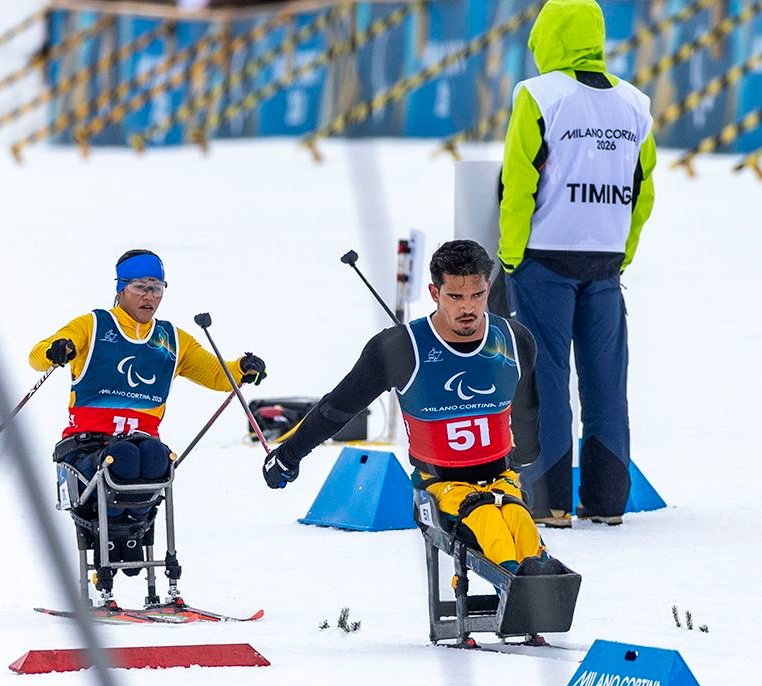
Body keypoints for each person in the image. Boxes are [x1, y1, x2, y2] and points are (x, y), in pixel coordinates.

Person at [261, 240, 561, 575]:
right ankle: (526, 592)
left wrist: (525, 456)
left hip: (501, 478)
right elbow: (338, 407)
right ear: (435, 293)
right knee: (491, 525)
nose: (468, 308)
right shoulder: (401, 347)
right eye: (455, 297)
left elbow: (527, 412)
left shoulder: (514, 341)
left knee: (521, 528)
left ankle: (540, 589)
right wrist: (289, 455)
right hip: (440, 486)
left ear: (488, 287)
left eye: (477, 295)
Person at [498, 0, 657, 528]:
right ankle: (608, 502)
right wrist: (623, 253)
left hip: (544, 258)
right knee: (607, 382)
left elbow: (519, 181)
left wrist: (510, 253)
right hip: (606, 263)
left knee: (544, 380)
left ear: (547, 36)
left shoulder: (538, 94)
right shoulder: (635, 102)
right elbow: (643, 190)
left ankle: (551, 503)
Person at [29, 248, 266, 600]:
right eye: (140, 286)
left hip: (141, 443)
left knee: (157, 457)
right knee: (123, 457)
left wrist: (241, 368)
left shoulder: (171, 339)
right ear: (121, 288)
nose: (149, 296)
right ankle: (109, 541)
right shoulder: (93, 326)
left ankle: (131, 537)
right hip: (88, 445)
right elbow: (37, 355)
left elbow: (218, 375)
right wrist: (57, 349)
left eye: (156, 288)